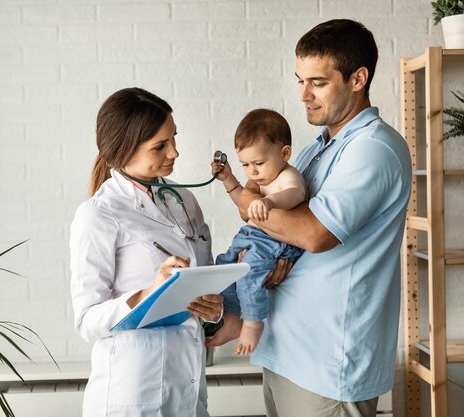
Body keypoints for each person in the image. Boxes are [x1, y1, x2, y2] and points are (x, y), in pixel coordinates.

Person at [207, 19, 412, 417]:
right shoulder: (315, 149)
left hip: (329, 364)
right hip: (286, 351)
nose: (303, 95)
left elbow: (314, 233)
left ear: (358, 78)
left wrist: (265, 217)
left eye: (317, 82)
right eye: (299, 80)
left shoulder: (373, 148)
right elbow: (265, 209)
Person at [70, 87, 224, 417]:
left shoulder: (184, 201)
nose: (175, 153)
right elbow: (87, 320)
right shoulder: (98, 214)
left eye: (174, 139)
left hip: (190, 387)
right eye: (160, 146)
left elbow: (203, 283)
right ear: (124, 150)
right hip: (132, 394)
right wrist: (150, 292)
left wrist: (214, 312)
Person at [211, 109, 306, 355]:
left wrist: (270, 202)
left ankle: (253, 322)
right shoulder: (260, 180)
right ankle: (232, 316)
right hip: (250, 236)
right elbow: (243, 205)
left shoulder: (288, 176)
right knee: (224, 267)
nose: (252, 172)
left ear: (284, 153)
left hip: (273, 243)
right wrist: (228, 178)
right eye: (245, 164)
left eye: (258, 163)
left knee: (249, 273)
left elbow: (296, 194)